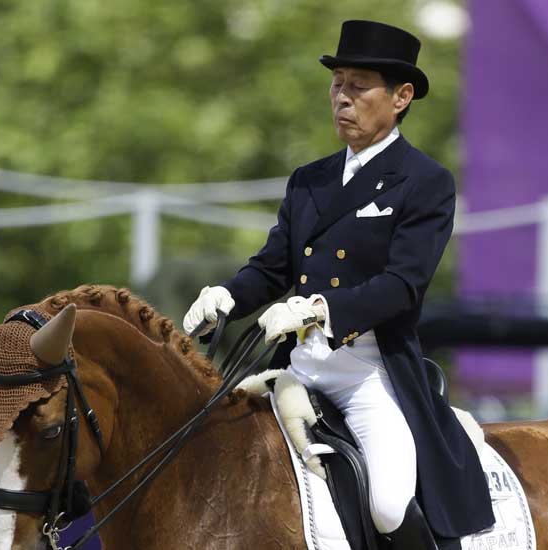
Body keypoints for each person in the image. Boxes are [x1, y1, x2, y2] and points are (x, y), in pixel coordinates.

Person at [183, 19, 494, 549]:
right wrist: (227, 297)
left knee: (390, 505)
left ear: (400, 97)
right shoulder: (310, 178)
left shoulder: (425, 181)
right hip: (296, 368)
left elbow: (403, 285)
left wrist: (319, 309)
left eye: (358, 85)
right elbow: (272, 268)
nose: (342, 98)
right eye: (337, 83)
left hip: (368, 376)